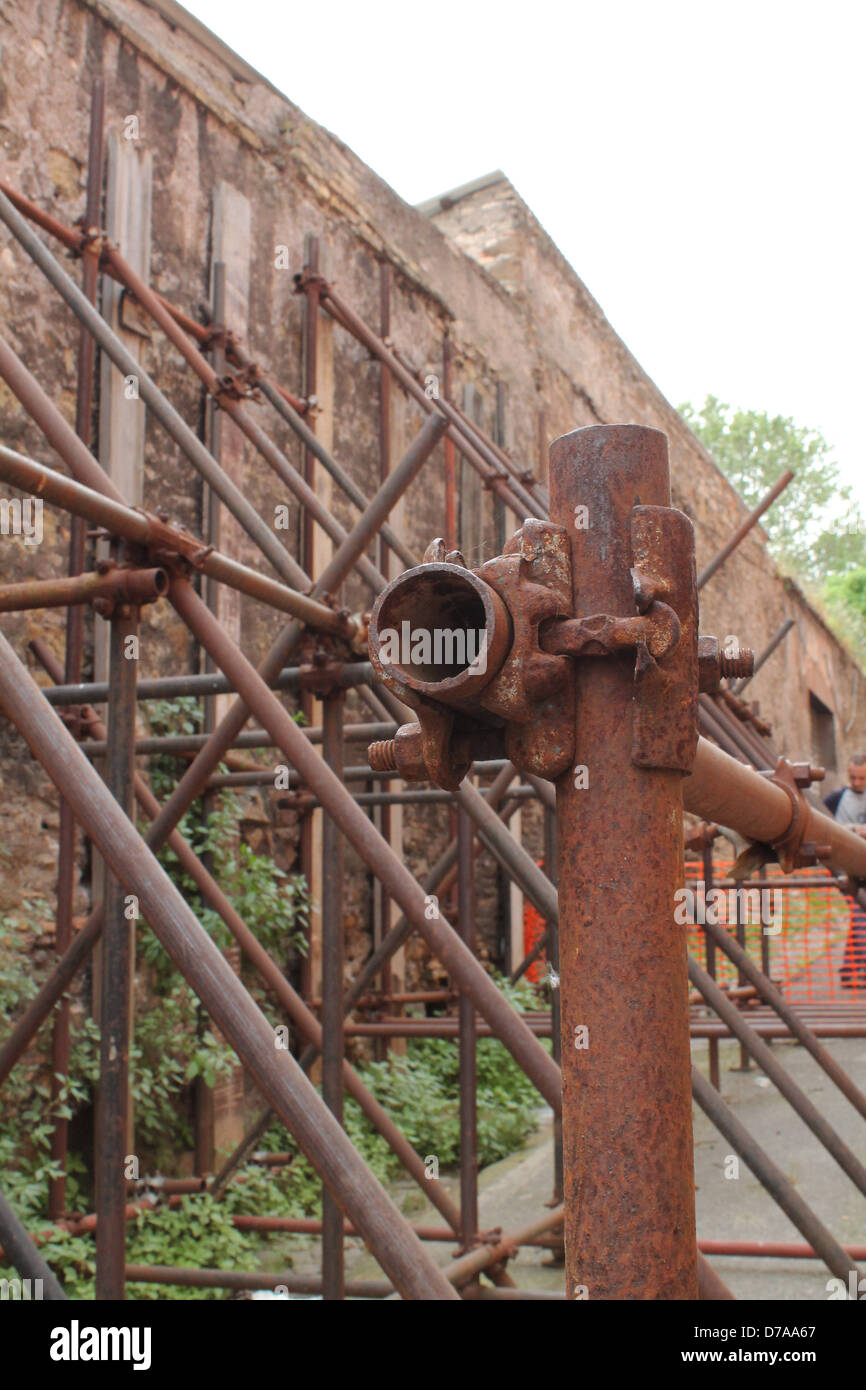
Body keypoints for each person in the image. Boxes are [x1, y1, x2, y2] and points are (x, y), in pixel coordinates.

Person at [824, 754, 866, 989]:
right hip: (843, 866)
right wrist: (852, 830)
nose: (857, 782)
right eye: (853, 777)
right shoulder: (836, 798)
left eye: (862, 778)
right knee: (861, 915)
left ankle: (849, 971)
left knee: (860, 915)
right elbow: (819, 822)